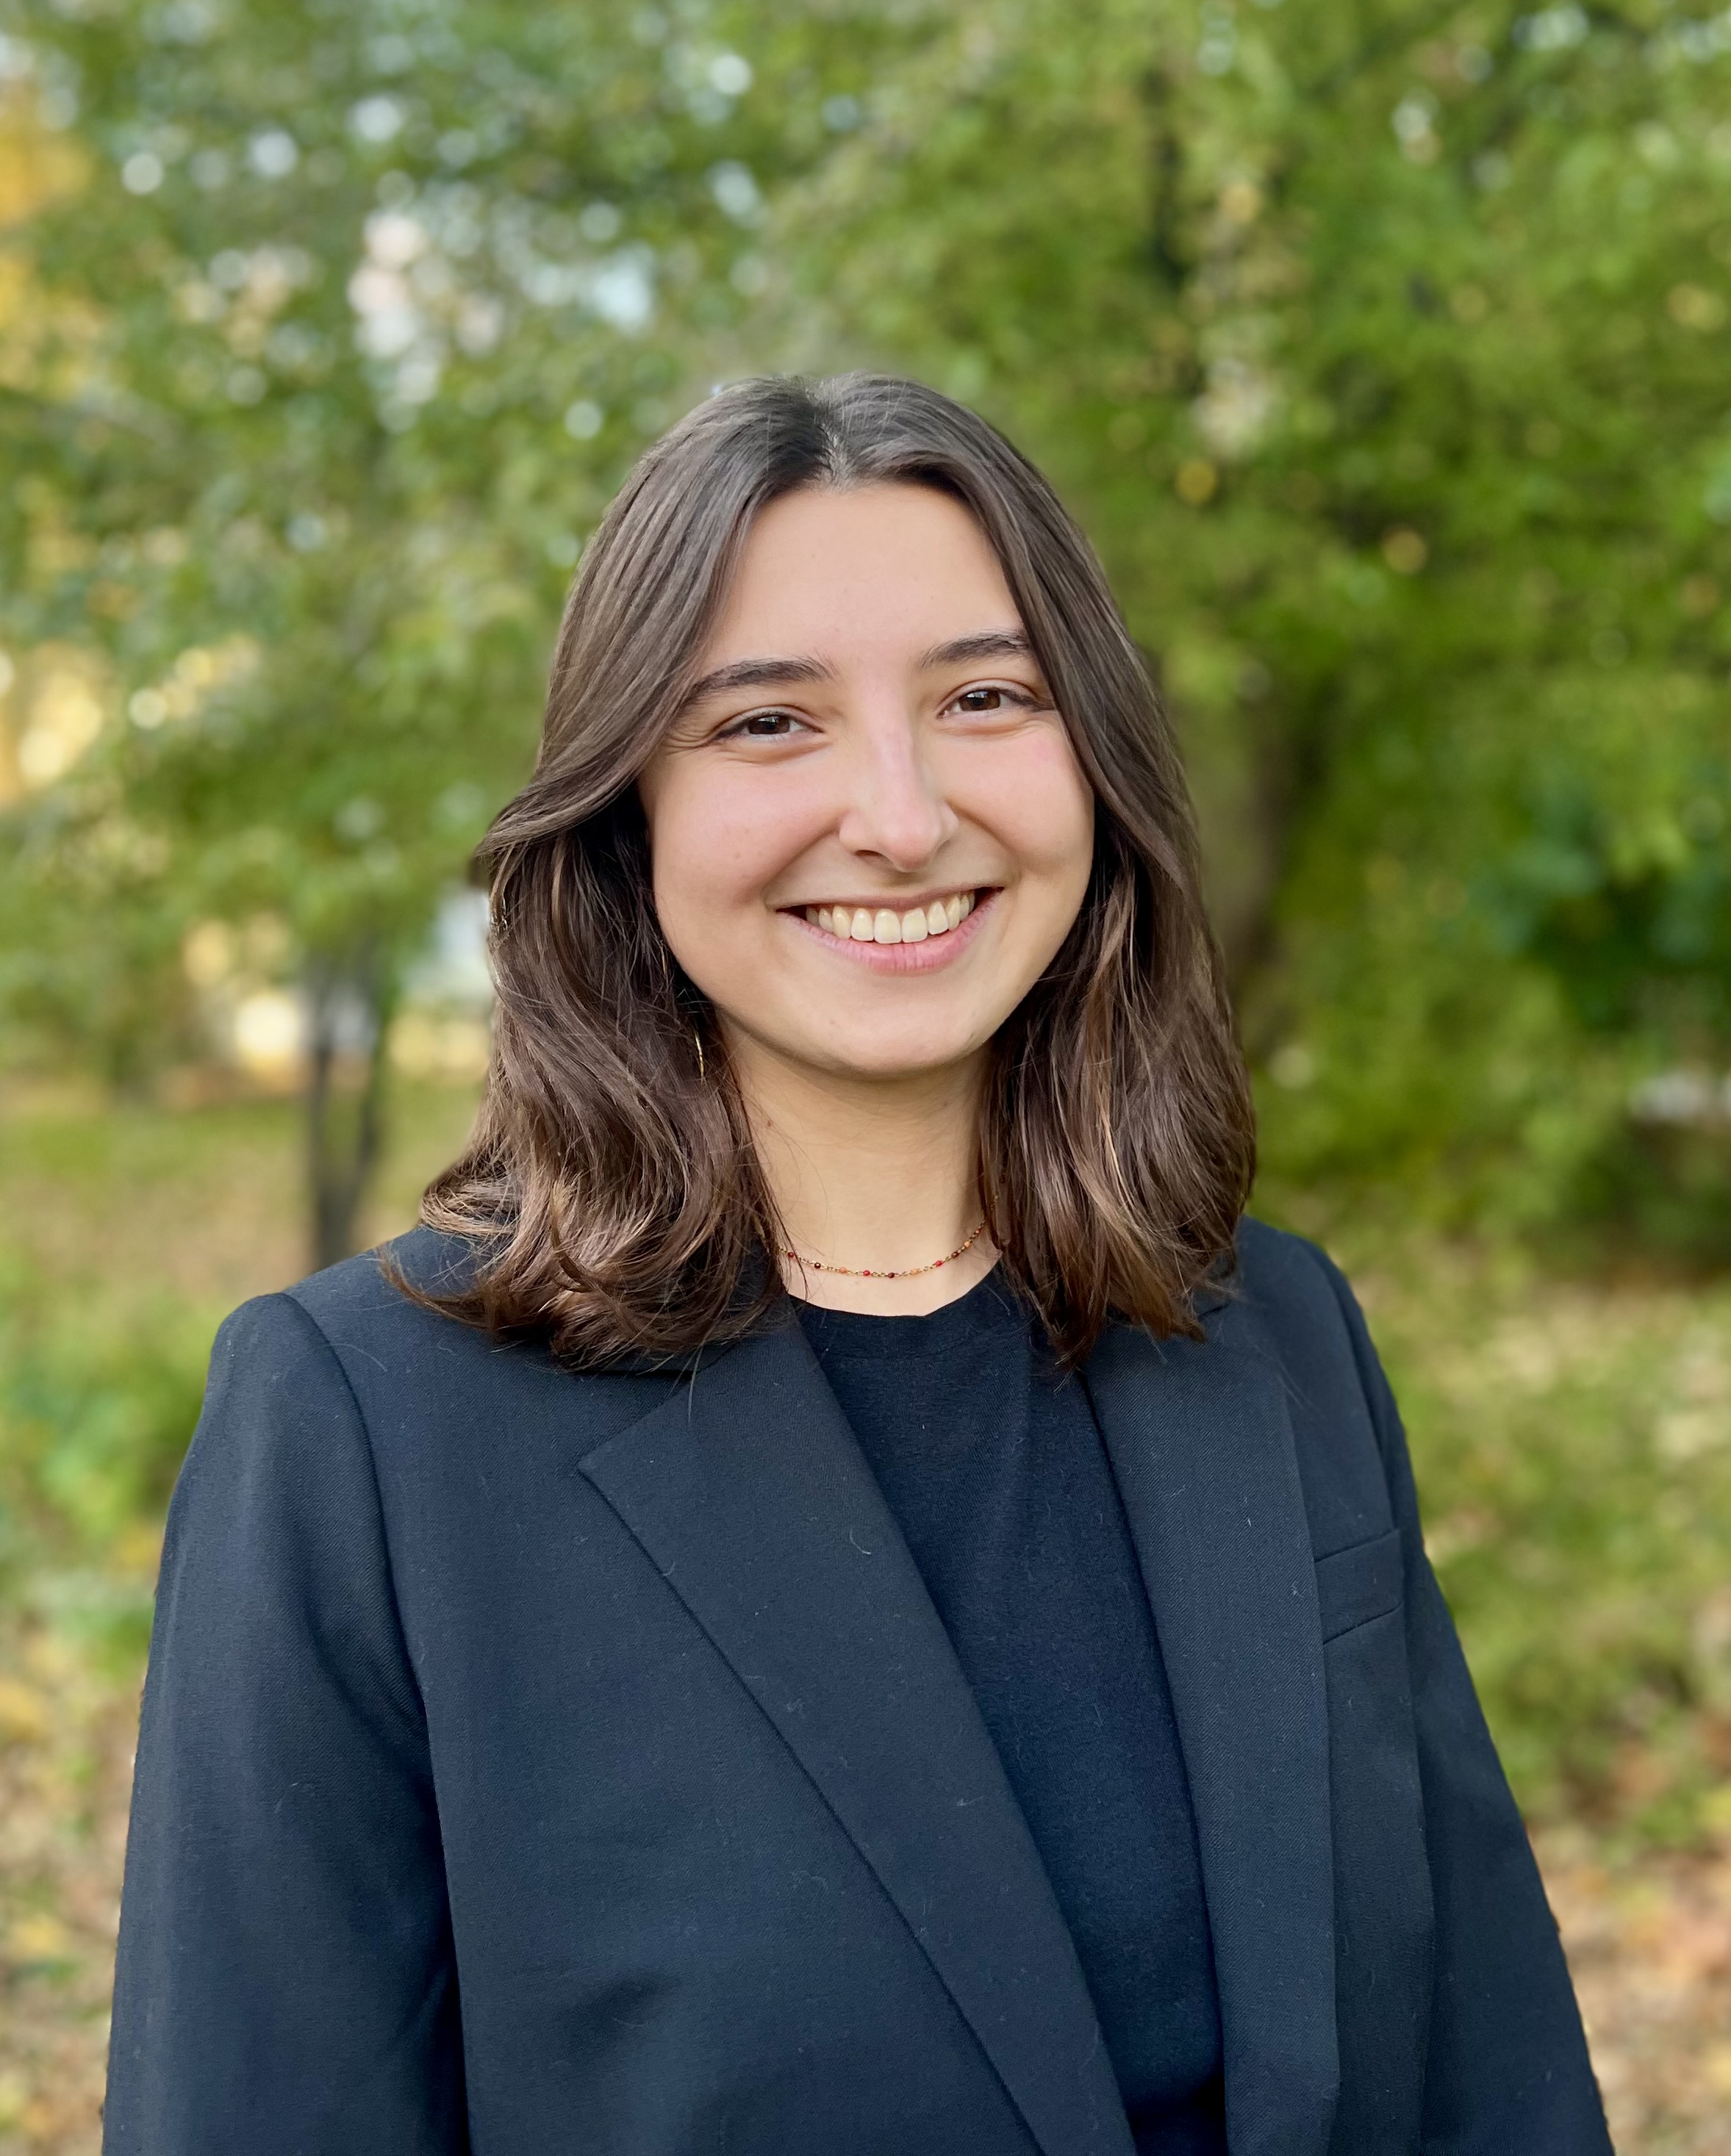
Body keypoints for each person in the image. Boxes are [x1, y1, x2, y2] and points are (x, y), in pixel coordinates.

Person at [105, 375, 1609, 2156]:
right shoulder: (366, 1428)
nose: (898, 817)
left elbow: (1489, 2073)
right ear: (625, 808)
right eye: (766, 722)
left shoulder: (1272, 1334)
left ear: (1093, 760)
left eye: (984, 698)